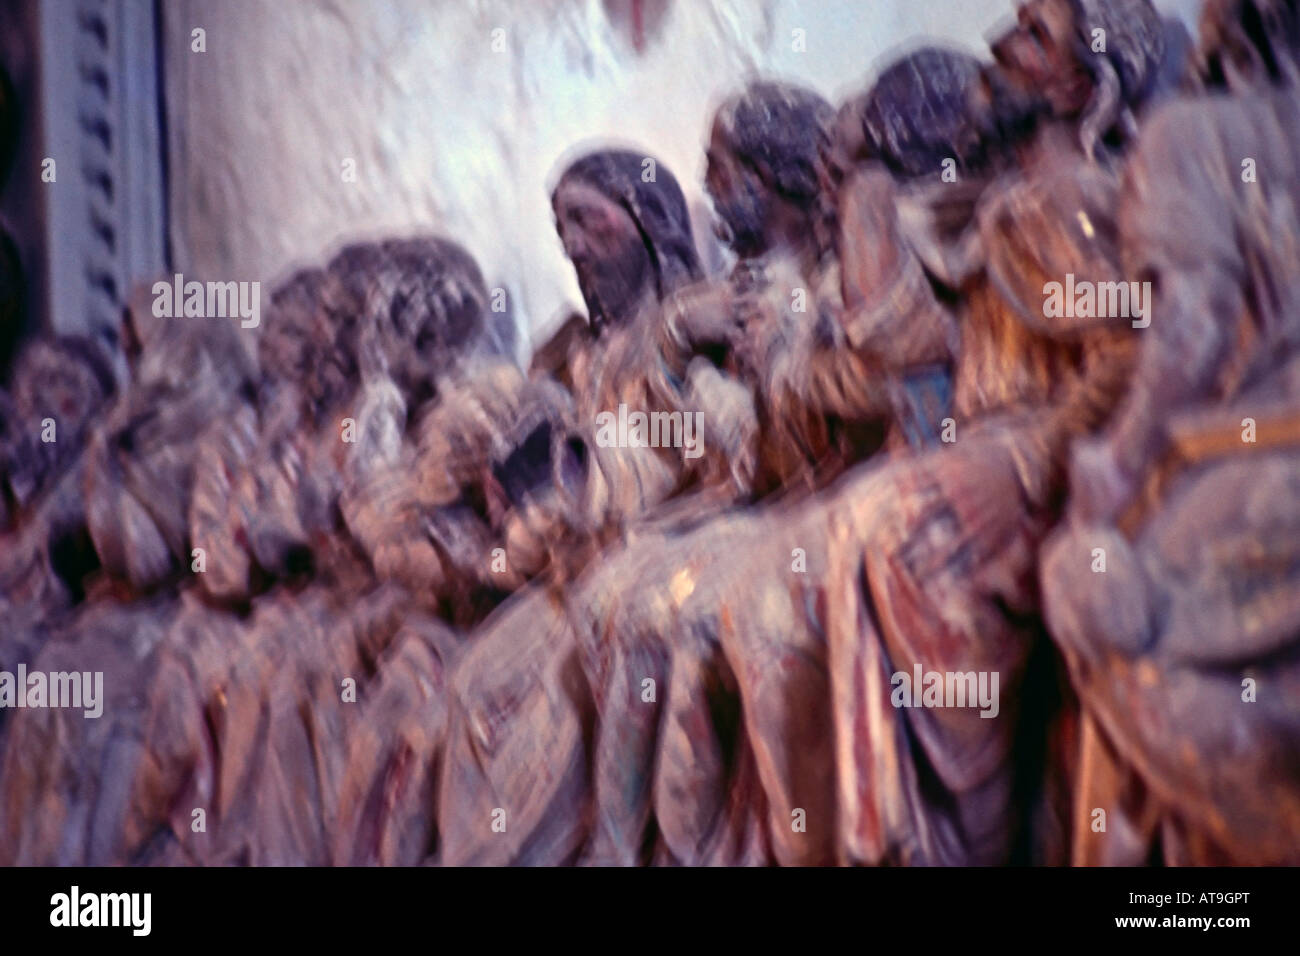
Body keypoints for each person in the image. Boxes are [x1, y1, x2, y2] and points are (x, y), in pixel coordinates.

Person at [1040, 0, 1300, 864]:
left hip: (1264, 460)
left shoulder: (1195, 134)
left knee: (1097, 597)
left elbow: (1191, 322)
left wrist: (1114, 464)